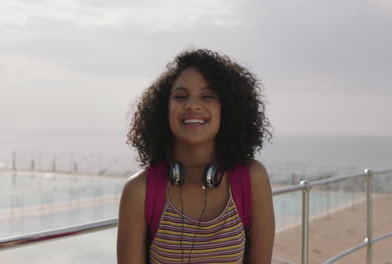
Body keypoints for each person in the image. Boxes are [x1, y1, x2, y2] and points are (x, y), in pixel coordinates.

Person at [117, 49, 275, 264]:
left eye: (208, 96)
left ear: (226, 109)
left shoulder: (251, 179)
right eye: (180, 97)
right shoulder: (139, 191)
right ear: (165, 110)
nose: (192, 105)